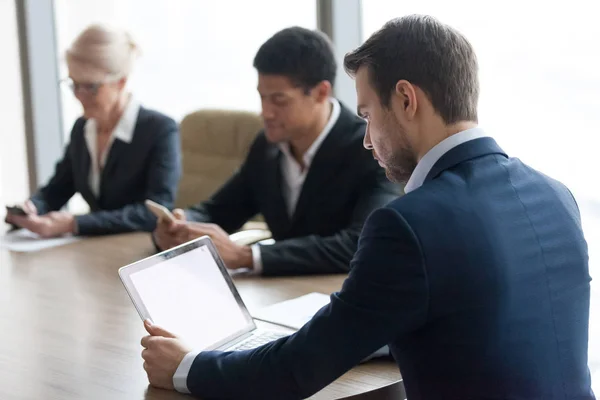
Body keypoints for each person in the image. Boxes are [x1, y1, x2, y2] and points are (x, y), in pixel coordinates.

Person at [140, 15, 594, 400]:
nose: (366, 137)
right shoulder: (557, 195)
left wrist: (186, 366)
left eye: (366, 114)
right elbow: (484, 325)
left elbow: (296, 370)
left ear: (405, 99)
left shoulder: (408, 225)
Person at [153, 26, 399, 276]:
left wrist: (247, 256)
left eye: (279, 100)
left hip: (341, 293)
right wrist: (181, 225)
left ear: (321, 92)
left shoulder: (371, 149)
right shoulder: (267, 146)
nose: (266, 112)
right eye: (262, 98)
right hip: (278, 293)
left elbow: (360, 243)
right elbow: (220, 210)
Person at [5, 24, 181, 237]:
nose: (79, 95)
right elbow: (58, 188)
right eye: (74, 84)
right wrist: (33, 207)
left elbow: (154, 212)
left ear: (120, 82)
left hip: (134, 250)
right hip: (92, 249)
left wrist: (74, 223)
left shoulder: (159, 130)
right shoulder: (82, 128)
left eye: (90, 87)